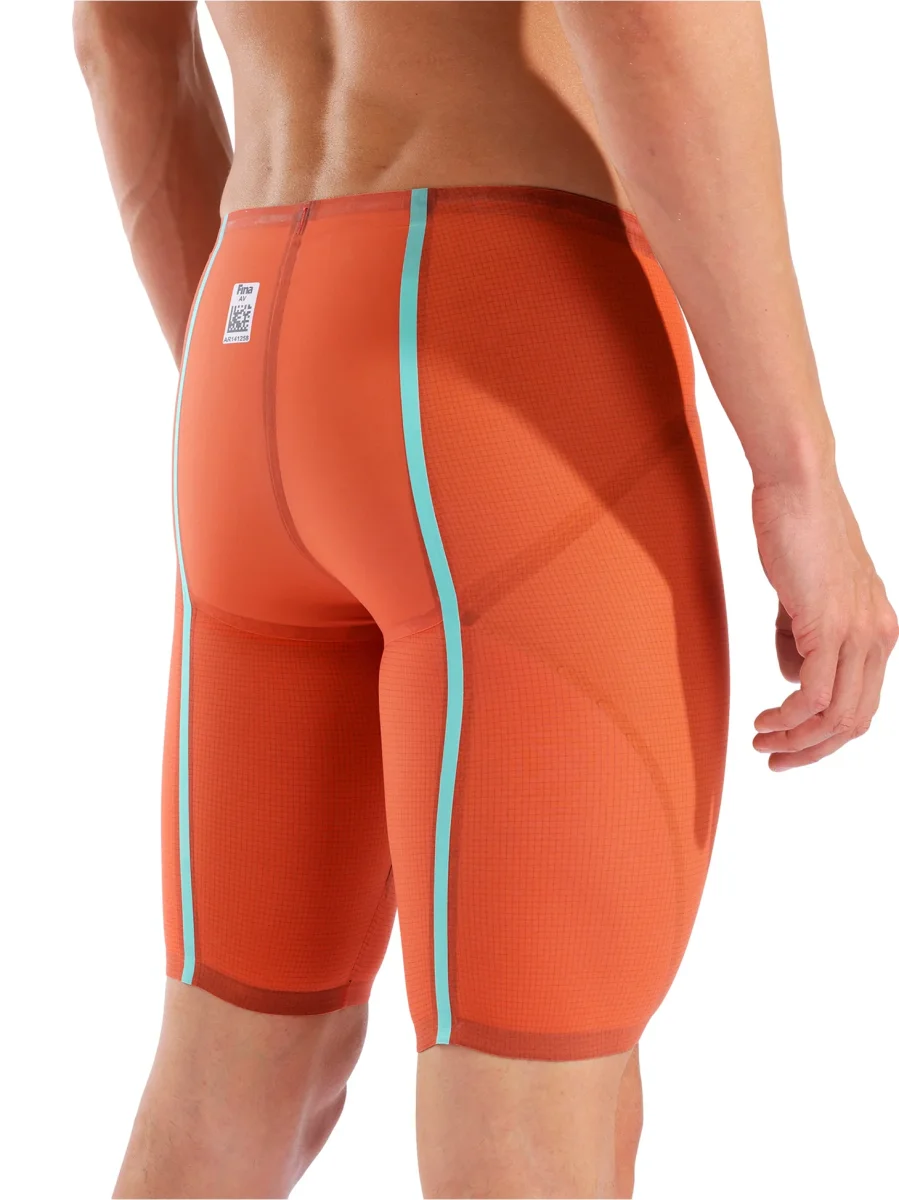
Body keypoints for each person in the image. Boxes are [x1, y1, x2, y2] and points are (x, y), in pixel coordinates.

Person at [73, 3, 897, 1198]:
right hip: (499, 341)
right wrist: (796, 472)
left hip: (247, 335)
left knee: (231, 1082)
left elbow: (116, 41)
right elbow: (648, 18)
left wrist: (291, 401)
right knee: (532, 1123)